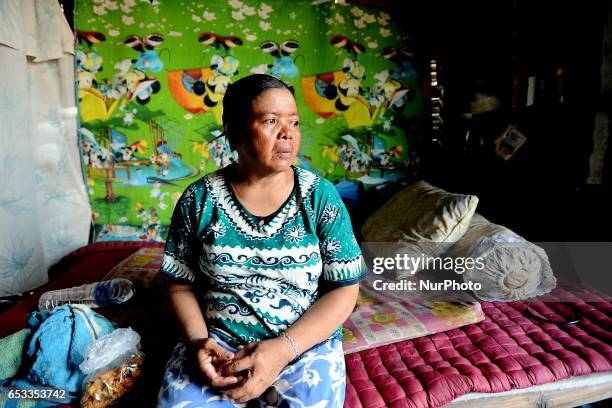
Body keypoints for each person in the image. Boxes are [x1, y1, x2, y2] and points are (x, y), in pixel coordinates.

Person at [157, 74, 365, 407]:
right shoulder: (199, 199)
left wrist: (284, 349)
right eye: (271, 121)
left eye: (294, 123)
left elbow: (345, 288)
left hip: (302, 343)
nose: (288, 134)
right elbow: (180, 285)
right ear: (234, 132)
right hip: (218, 342)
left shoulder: (320, 198)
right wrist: (199, 342)